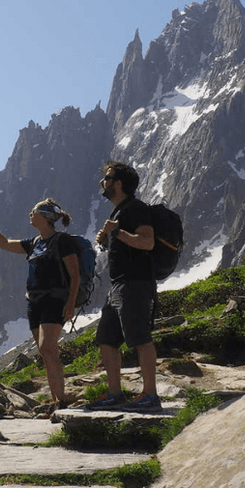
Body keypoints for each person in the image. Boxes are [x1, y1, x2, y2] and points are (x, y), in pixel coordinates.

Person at [0, 199, 81, 415]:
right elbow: (4, 243)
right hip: (34, 302)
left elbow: (75, 275)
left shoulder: (63, 241)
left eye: (34, 211)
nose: (30, 214)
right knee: (44, 351)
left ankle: (61, 400)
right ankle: (57, 399)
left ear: (46, 216)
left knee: (48, 348)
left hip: (54, 300)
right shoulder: (33, 243)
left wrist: (70, 304)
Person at [87, 161, 160, 412]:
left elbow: (147, 242)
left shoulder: (135, 208)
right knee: (107, 340)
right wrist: (108, 239)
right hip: (118, 286)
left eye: (106, 178)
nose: (102, 182)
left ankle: (150, 394)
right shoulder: (118, 212)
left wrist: (116, 233)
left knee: (140, 338)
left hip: (135, 283)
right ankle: (115, 394)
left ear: (118, 183)